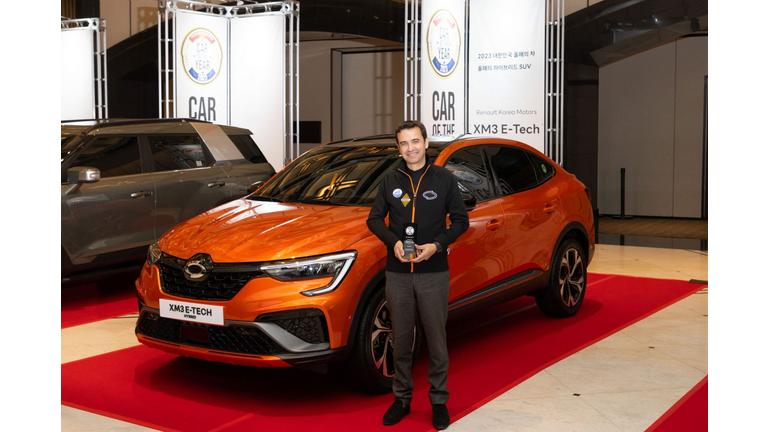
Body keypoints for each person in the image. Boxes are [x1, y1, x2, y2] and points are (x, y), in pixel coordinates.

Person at [367, 120, 469, 430]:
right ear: (398, 148)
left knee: (436, 340)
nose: (410, 148)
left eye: (415, 141)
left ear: (425, 143)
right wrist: (394, 242)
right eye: (404, 143)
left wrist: (437, 245)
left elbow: (461, 221)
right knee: (401, 339)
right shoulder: (390, 180)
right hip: (398, 273)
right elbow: (374, 220)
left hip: (433, 272)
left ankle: (438, 401)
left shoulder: (444, 180)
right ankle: (402, 398)